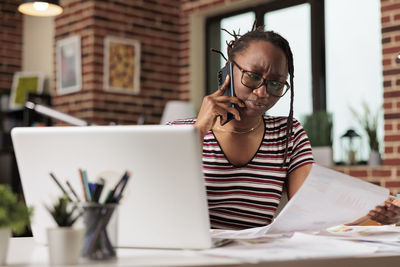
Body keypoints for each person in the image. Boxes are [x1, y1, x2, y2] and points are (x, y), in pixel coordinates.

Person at [169, 24, 400, 229]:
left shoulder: (287, 135)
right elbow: (164, 199)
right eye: (252, 76)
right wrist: (198, 130)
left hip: (255, 256)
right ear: (228, 69)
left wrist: (376, 218)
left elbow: (312, 214)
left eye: (276, 84)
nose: (261, 92)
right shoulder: (176, 132)